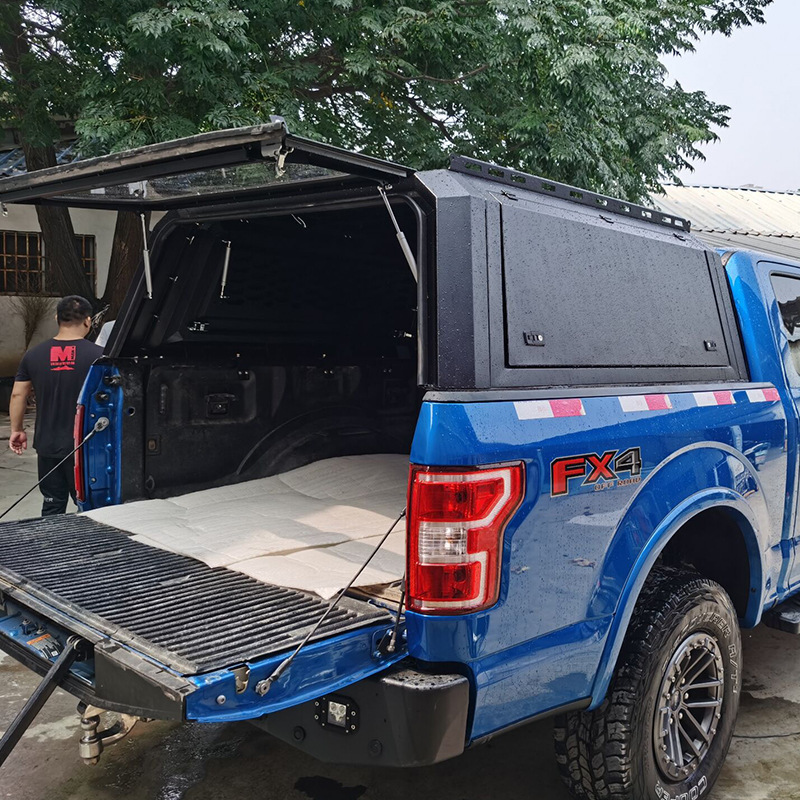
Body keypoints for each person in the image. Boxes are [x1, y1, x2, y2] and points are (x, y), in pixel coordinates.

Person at [8, 295, 103, 515]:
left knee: (52, 503)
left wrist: (17, 430)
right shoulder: (101, 356)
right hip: (87, 446)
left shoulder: (33, 355)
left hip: (48, 444)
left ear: (56, 317)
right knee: (91, 509)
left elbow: (18, 395)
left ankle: (49, 546)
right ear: (88, 320)